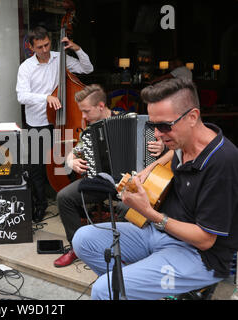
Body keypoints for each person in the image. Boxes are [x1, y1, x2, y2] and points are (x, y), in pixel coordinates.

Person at [72, 78, 238, 300]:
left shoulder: (223, 161)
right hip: (158, 232)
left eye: (164, 126)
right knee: (83, 239)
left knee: (105, 289)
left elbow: (205, 239)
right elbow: (172, 155)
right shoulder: (183, 141)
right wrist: (148, 170)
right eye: (153, 126)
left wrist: (148, 212)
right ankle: (132, 292)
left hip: (198, 255)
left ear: (192, 117)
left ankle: (122, 290)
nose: (158, 134)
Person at [54, 84, 164, 267]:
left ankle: (119, 251)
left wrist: (161, 147)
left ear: (101, 106)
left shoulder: (135, 122)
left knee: (125, 208)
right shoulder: (90, 132)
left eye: (86, 111)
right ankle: (76, 247)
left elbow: (165, 145)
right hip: (102, 183)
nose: (83, 116)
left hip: (132, 184)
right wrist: (70, 160)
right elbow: (75, 152)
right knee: (63, 197)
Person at [16, 26, 94, 222]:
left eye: (47, 45)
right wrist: (46, 97)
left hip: (64, 122)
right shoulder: (26, 67)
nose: (44, 50)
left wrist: (76, 49)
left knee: (67, 164)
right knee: (37, 166)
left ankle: (73, 202)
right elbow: (21, 96)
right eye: (40, 47)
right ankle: (41, 205)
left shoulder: (60, 58)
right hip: (38, 122)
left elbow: (87, 68)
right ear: (31, 47)